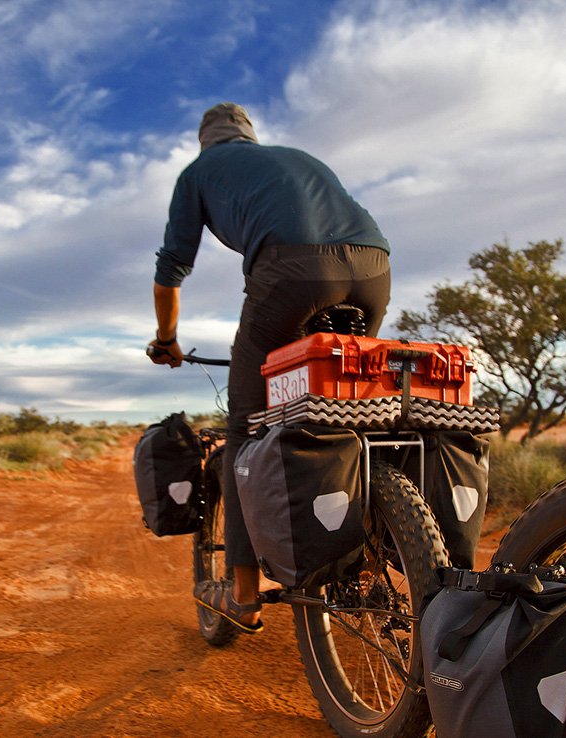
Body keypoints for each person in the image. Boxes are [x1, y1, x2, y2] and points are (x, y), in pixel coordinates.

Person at [148, 102, 391, 634]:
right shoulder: (298, 157)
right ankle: (377, 553)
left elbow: (170, 272)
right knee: (348, 404)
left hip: (292, 271)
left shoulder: (198, 174)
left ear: (205, 141)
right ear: (250, 136)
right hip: (374, 266)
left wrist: (167, 340)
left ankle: (243, 595)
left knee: (244, 425)